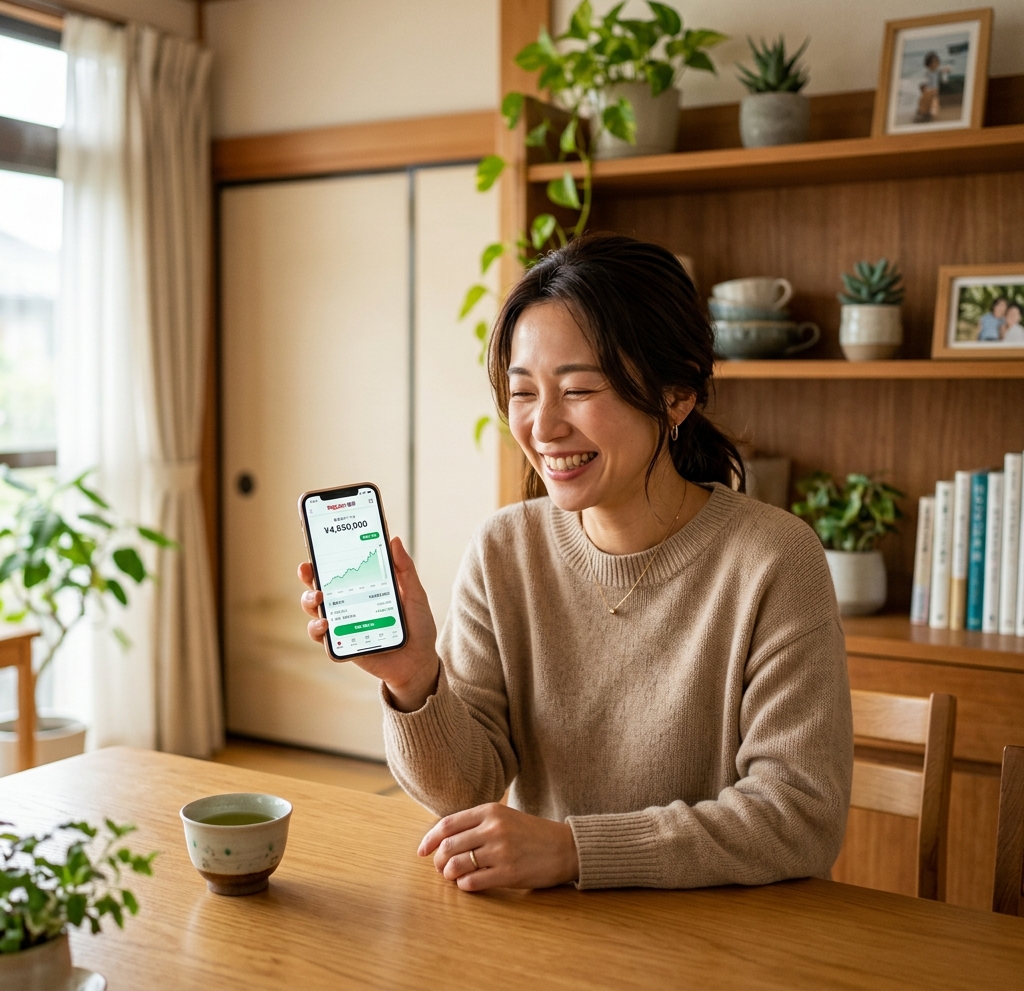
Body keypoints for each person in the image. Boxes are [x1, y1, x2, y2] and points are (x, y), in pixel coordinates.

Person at [299, 234, 853, 892]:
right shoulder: (506, 550)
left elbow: (799, 816)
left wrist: (575, 851)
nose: (545, 426)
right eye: (523, 392)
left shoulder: (773, 560)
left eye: (580, 389)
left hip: (717, 940)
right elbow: (465, 787)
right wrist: (414, 679)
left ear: (677, 395)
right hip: (549, 937)